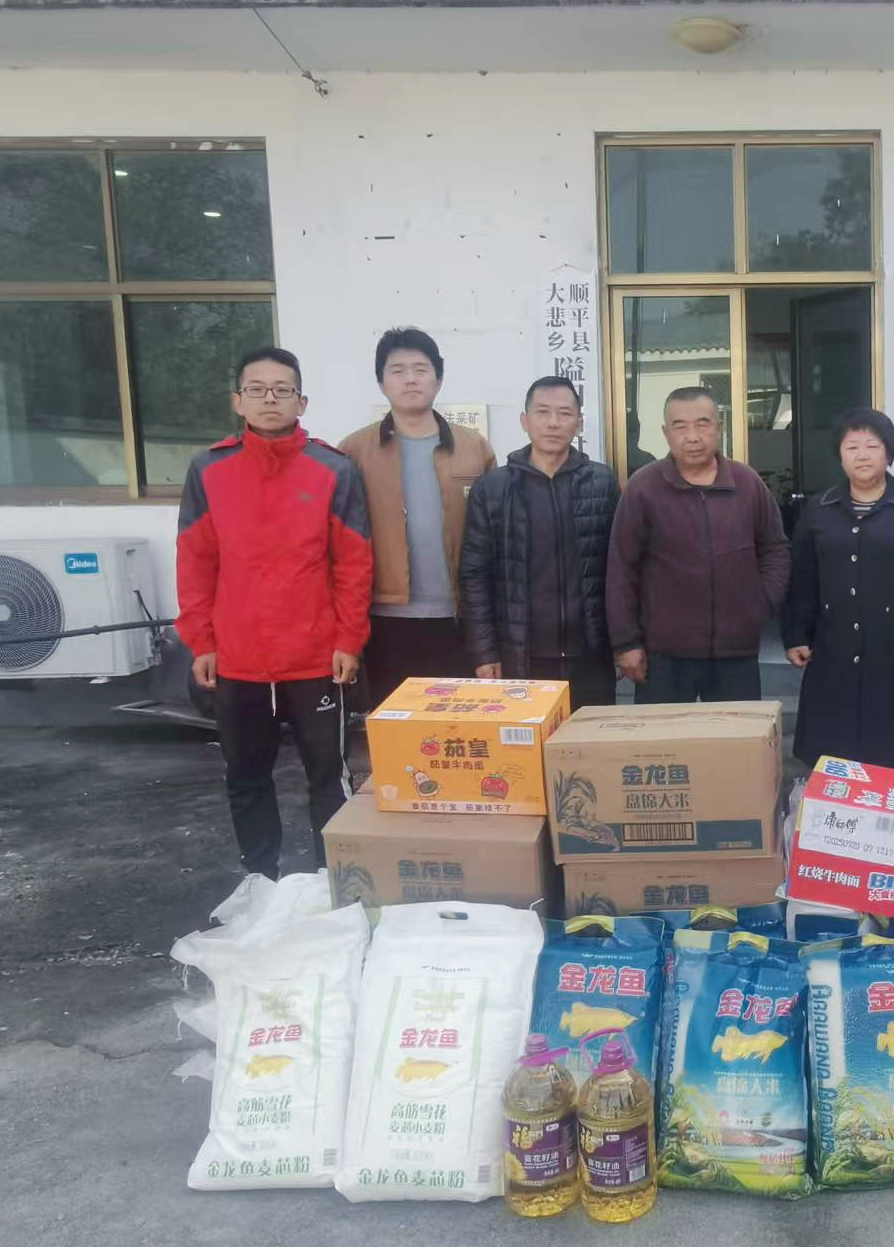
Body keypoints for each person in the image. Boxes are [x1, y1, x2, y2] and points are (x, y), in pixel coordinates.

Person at [176, 347, 372, 879]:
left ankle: (335, 883)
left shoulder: (333, 468)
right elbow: (195, 561)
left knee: (328, 778)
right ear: (238, 400)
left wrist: (349, 640)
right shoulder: (209, 469)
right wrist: (201, 641)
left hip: (315, 658)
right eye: (257, 389)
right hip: (237, 657)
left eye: (282, 390)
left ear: (301, 401)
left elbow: (353, 563)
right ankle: (259, 882)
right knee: (245, 777)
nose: (270, 399)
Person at [783, 409, 894, 770]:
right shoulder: (818, 509)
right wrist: (796, 634)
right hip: (832, 645)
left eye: (872, 446)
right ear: (840, 455)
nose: (862, 455)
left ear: (888, 453)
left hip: (893, 648)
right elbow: (804, 577)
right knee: (832, 757)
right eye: (852, 446)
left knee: (893, 756)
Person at [339, 327, 494, 707]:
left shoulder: (473, 447)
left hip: (459, 616)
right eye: (398, 370)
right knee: (396, 724)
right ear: (381, 382)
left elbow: (495, 533)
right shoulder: (353, 451)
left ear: (438, 379)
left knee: (459, 723)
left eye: (421, 369)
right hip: (384, 617)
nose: (410, 379)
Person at [607, 386, 790, 703]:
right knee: (666, 737)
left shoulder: (747, 484)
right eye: (680, 426)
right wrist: (626, 643)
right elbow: (621, 569)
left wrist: (759, 606)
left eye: (702, 424)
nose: (692, 437)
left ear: (720, 427)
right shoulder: (643, 488)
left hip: (736, 653)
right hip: (663, 656)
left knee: (736, 734)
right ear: (666, 433)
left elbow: (775, 549)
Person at [458, 376, 620, 706]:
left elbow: (621, 571)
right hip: (519, 656)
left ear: (579, 422)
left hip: (590, 655)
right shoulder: (493, 488)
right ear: (525, 420)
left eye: (564, 413)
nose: (553, 423)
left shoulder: (602, 483)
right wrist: (484, 651)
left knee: (589, 737)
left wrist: (624, 644)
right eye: (543, 412)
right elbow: (474, 576)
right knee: (525, 739)